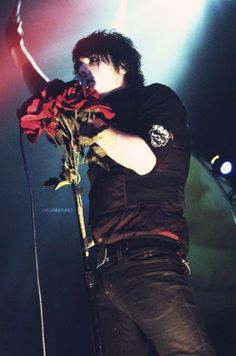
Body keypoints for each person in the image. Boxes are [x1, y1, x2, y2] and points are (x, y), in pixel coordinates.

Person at [6, 2, 216, 355]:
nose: (81, 70)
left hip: (149, 259)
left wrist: (94, 125)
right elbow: (48, 93)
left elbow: (145, 160)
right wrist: (16, 48)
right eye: (77, 66)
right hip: (104, 269)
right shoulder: (87, 114)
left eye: (93, 62)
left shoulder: (154, 99)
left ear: (122, 66)